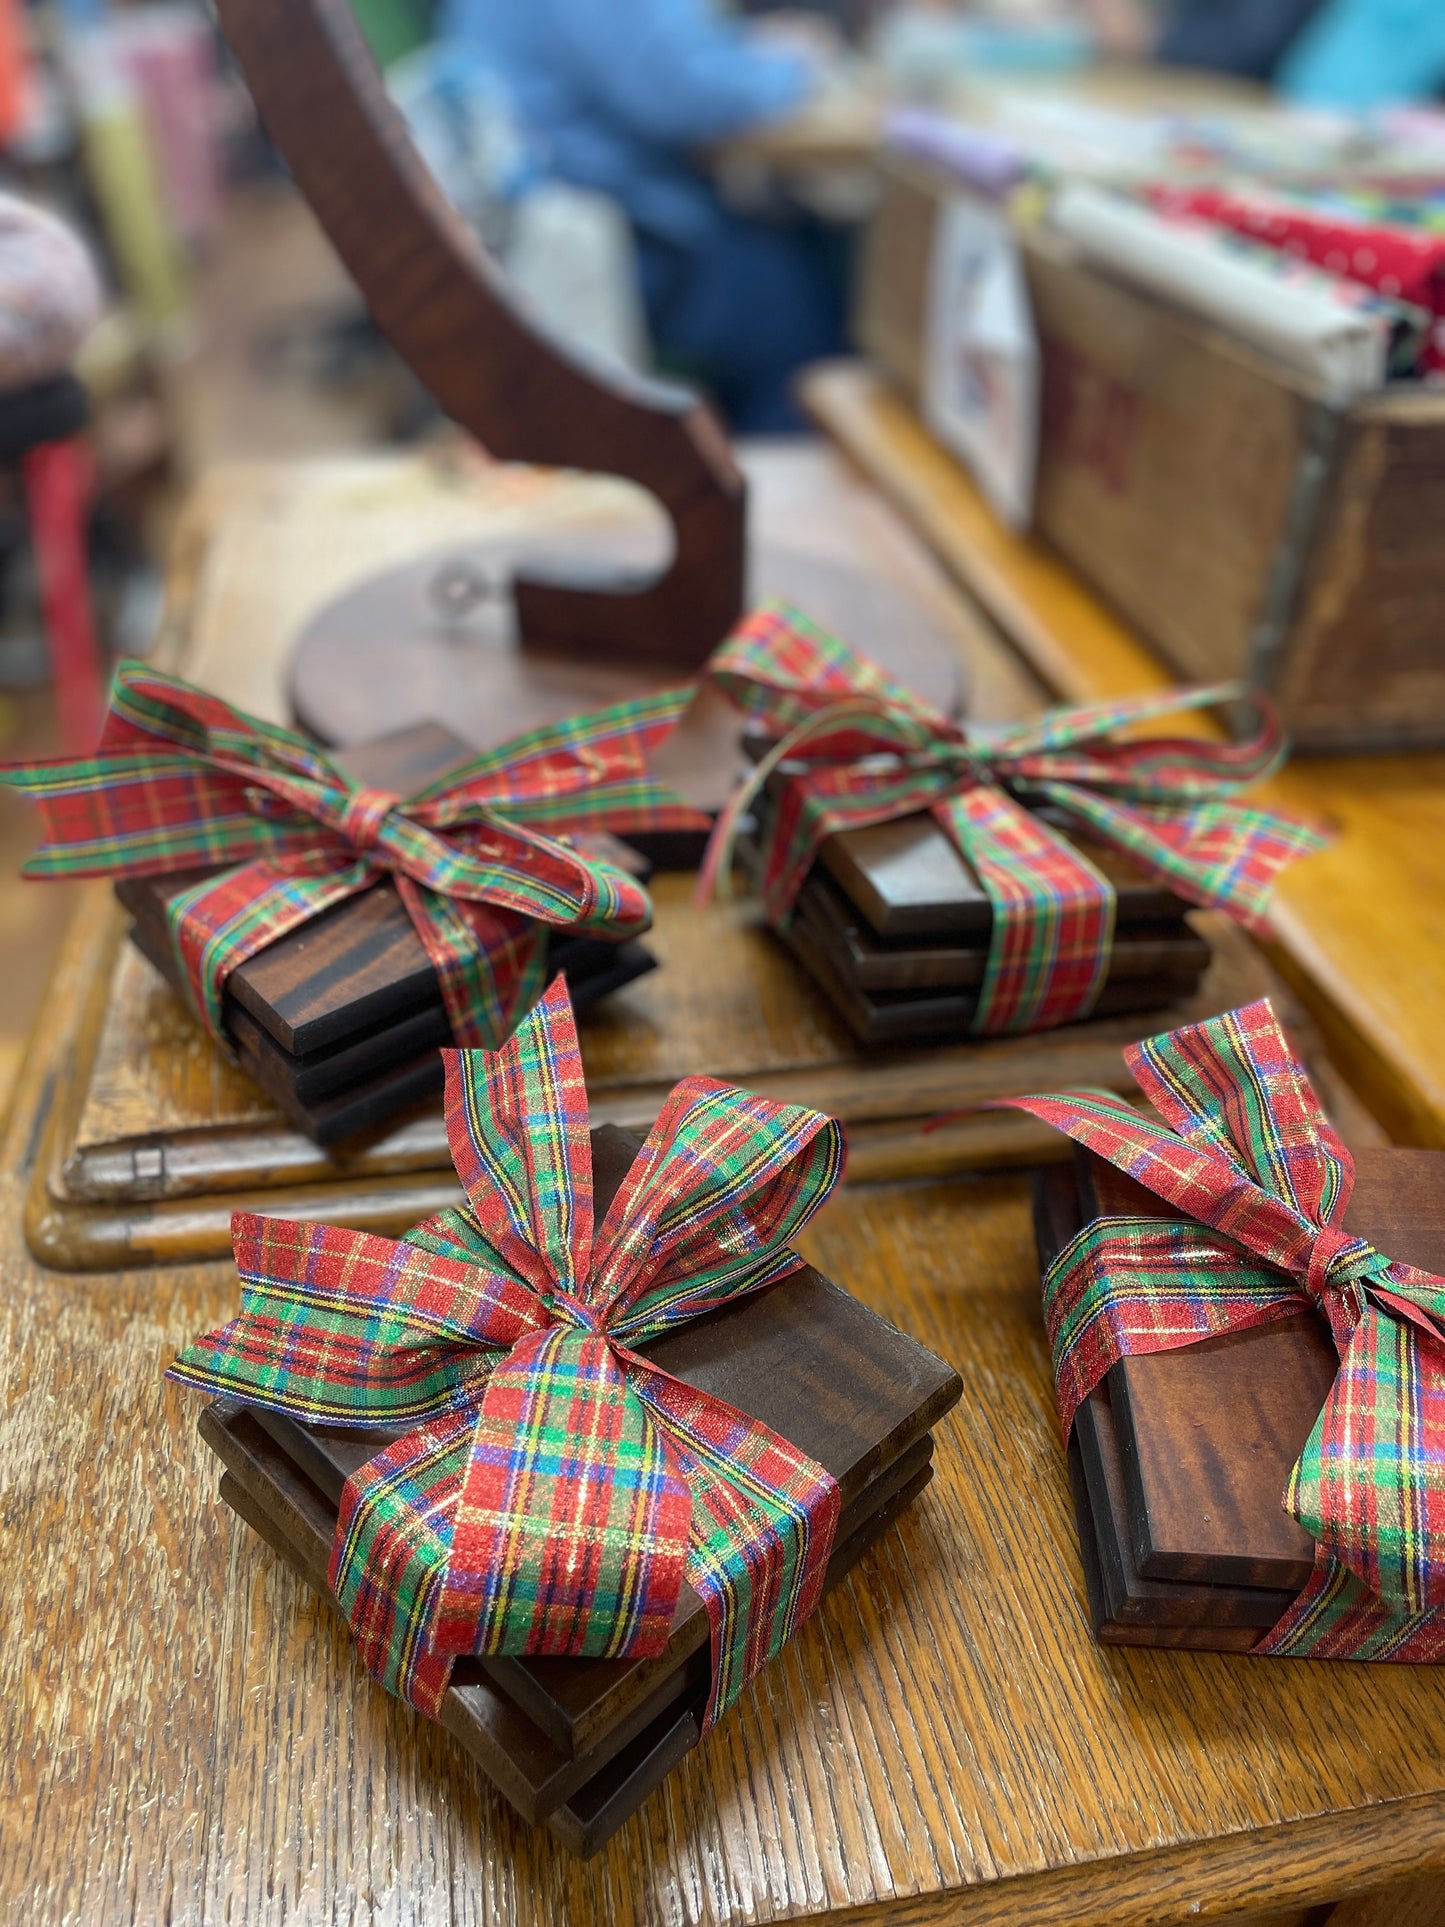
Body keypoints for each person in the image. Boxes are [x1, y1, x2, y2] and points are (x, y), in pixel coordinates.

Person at [437, 0, 849, 432]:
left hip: (523, 225)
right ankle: (762, 478)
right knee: (801, 319)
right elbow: (683, 96)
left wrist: (746, 49)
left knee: (787, 261)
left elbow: (668, 58)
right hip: (609, 235)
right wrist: (793, 65)